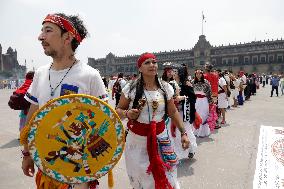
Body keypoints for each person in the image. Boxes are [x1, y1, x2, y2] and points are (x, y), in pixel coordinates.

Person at [21, 13, 108, 189]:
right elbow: (32, 117)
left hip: (78, 173)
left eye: (48, 30)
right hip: (46, 165)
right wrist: (27, 154)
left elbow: (104, 122)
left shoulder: (91, 76)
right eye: (41, 31)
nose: (40, 37)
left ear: (67, 37)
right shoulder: (40, 73)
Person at [115, 52, 190, 189]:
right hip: (137, 142)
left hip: (161, 138)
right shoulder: (131, 88)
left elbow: (172, 111)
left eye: (154, 62)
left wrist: (183, 133)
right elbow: (117, 111)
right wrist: (127, 113)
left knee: (168, 176)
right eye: (147, 63)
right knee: (143, 180)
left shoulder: (165, 88)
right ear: (140, 68)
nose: (152, 65)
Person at [170, 64, 197, 159]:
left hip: (184, 112)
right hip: (173, 111)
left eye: (175, 71)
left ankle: (191, 149)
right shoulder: (171, 84)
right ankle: (177, 151)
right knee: (174, 133)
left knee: (186, 130)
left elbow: (193, 98)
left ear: (180, 73)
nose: (173, 73)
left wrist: (182, 98)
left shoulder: (186, 84)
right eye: (172, 71)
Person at [192, 69, 213, 137]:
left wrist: (211, 102)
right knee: (196, 116)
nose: (198, 75)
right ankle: (196, 131)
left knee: (204, 115)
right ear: (195, 74)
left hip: (204, 101)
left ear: (202, 74)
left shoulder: (206, 82)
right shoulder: (192, 82)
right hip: (196, 101)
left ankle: (203, 132)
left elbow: (209, 92)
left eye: (200, 73)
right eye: (197, 73)